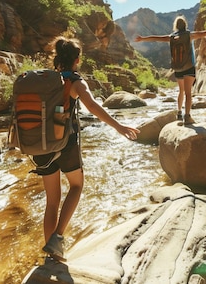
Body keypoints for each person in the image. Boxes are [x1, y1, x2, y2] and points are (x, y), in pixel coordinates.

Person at [35, 36, 139, 262]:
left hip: (41, 145)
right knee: (76, 185)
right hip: (65, 143)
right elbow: (92, 106)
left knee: (52, 201)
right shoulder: (75, 81)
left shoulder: (45, 79)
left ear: (56, 57)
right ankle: (57, 239)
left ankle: (50, 254)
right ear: (78, 59)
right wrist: (119, 127)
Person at [135, 16, 206, 125]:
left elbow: (157, 38)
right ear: (185, 25)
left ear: (175, 26)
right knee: (188, 93)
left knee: (181, 91)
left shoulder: (171, 37)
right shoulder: (189, 35)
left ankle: (179, 113)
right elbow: (205, 33)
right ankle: (187, 116)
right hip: (189, 67)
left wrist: (142, 38)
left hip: (178, 68)